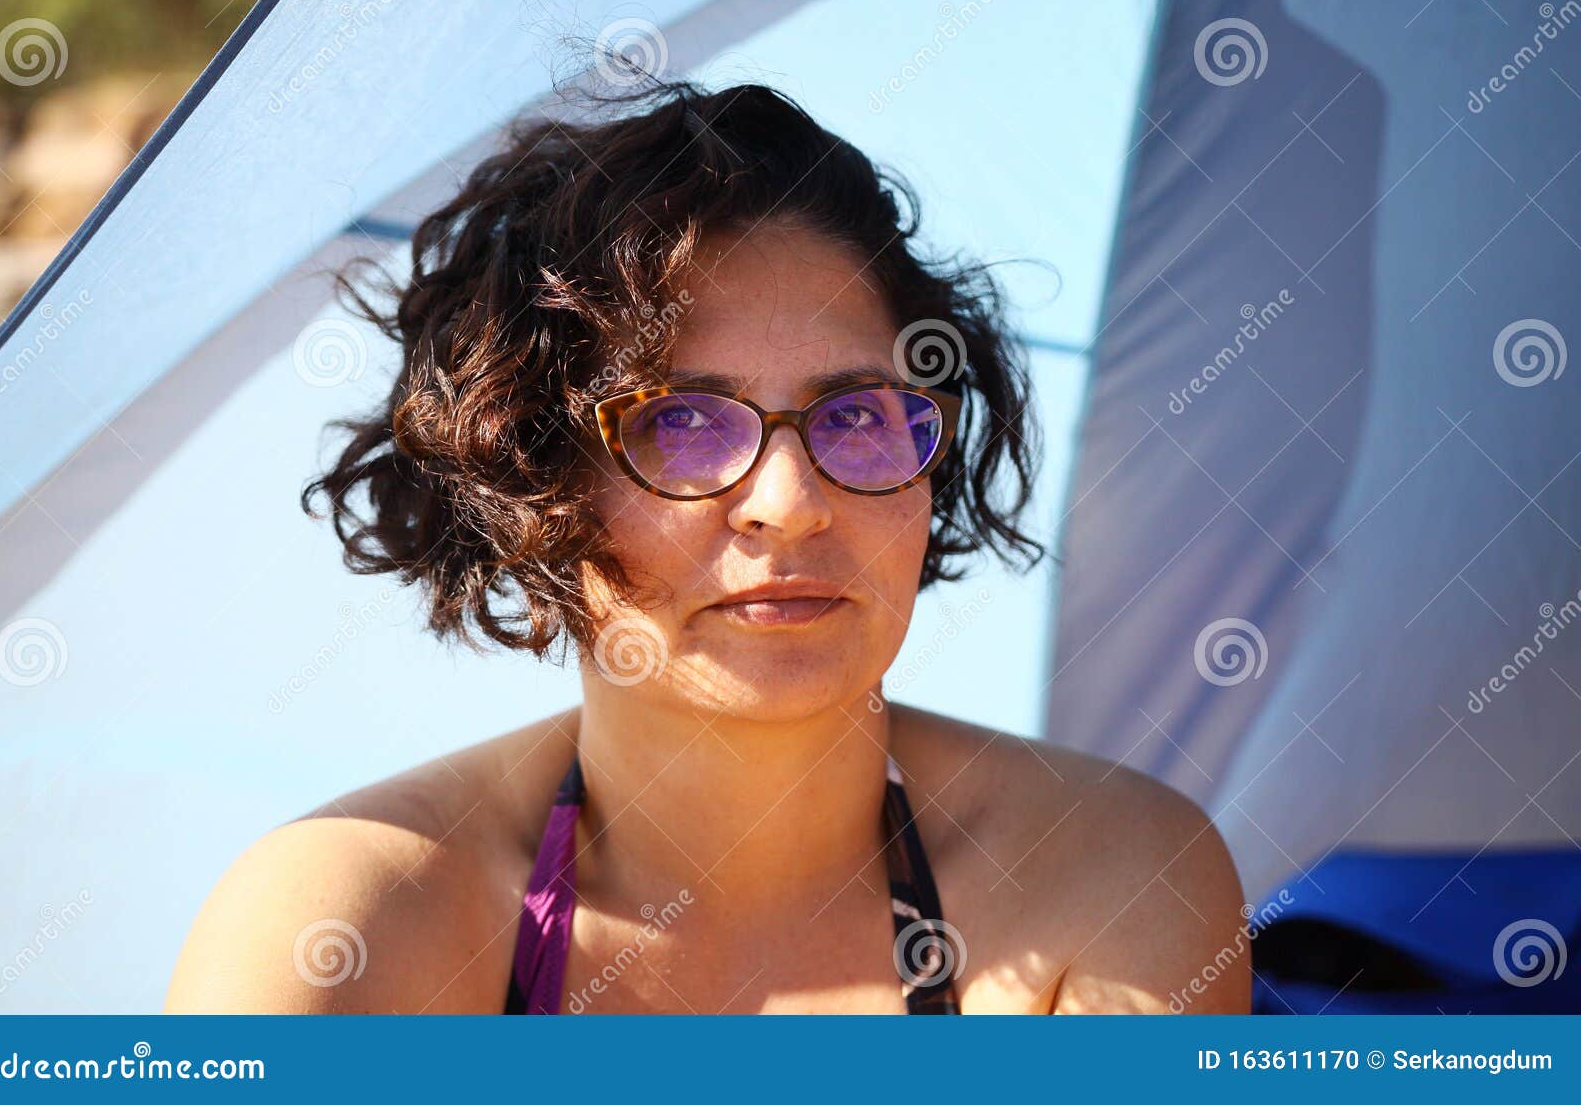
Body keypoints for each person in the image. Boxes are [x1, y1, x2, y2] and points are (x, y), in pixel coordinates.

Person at [164, 79, 1249, 1015]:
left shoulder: (1112, 873)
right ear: (528, 479)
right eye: (679, 423)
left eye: (858, 414)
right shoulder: (346, 930)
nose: (789, 501)